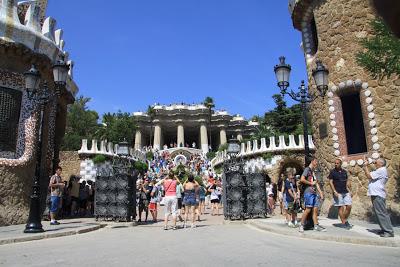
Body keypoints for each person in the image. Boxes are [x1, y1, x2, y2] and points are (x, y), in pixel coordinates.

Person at [363, 157, 394, 238]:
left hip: (378, 195)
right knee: (379, 213)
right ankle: (384, 229)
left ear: (381, 164)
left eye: (376, 162)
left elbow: (369, 176)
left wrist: (365, 166)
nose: (375, 163)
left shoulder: (381, 170)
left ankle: (388, 231)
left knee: (381, 213)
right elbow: (374, 166)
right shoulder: (380, 170)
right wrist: (371, 161)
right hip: (376, 194)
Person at [299, 158, 326, 232]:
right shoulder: (307, 169)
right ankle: (301, 225)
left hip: (314, 193)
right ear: (312, 161)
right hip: (308, 192)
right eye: (316, 161)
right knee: (308, 210)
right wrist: (311, 183)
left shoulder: (313, 171)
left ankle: (316, 226)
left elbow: (316, 182)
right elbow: (302, 179)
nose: (317, 163)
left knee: (315, 210)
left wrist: (320, 192)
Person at [328, 159, 352, 229]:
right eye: (335, 163)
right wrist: (334, 191)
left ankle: (344, 219)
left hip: (345, 191)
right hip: (337, 192)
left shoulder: (344, 172)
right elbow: (330, 182)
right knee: (340, 207)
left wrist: (350, 190)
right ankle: (344, 223)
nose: (336, 164)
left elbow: (347, 182)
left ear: (340, 164)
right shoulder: (332, 172)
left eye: (337, 163)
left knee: (349, 206)